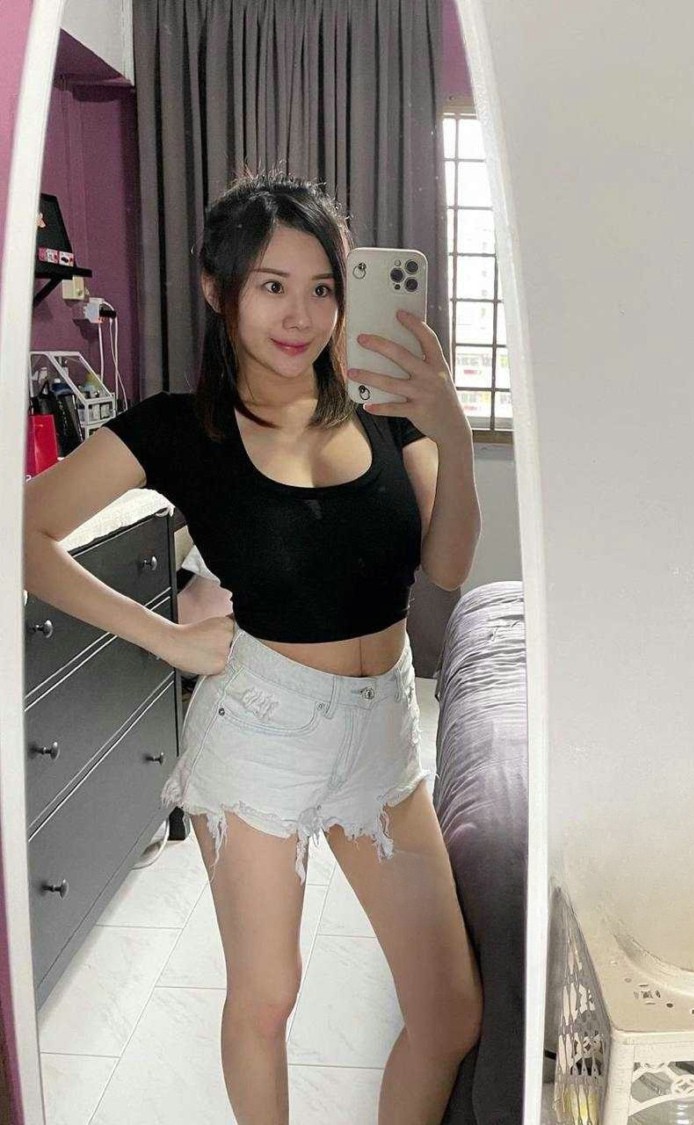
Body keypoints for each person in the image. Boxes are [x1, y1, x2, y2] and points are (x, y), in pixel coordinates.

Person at [23, 170, 483, 1125]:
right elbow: (23, 532)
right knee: (267, 997)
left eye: (322, 287)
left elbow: (447, 564)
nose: (300, 315)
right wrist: (165, 637)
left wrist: (454, 434)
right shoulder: (176, 428)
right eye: (272, 285)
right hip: (261, 731)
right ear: (216, 287)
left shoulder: (388, 407)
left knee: (449, 1013)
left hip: (385, 736)